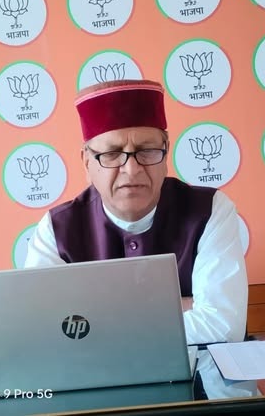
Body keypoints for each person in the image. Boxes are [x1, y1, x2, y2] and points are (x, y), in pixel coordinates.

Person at [24, 79, 248, 344]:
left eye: (147, 151)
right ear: (86, 162)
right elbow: (43, 332)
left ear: (166, 154)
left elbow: (223, 327)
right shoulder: (57, 229)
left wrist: (95, 321)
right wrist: (183, 307)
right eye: (112, 153)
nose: (131, 170)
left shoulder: (209, 210)